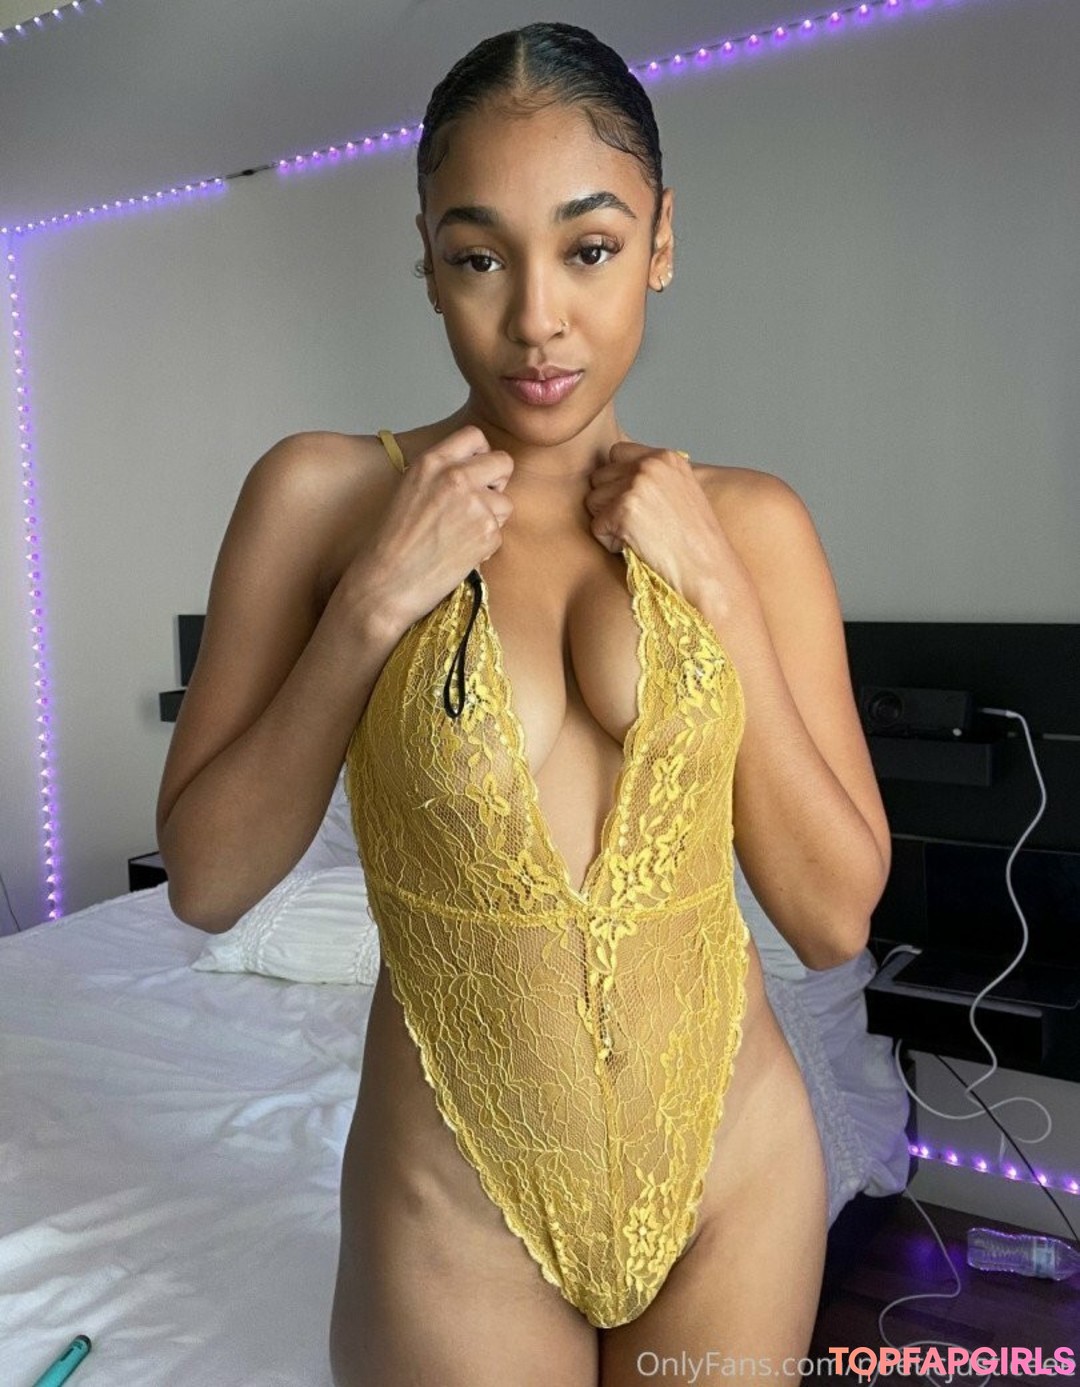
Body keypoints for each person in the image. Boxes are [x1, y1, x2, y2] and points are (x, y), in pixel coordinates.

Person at [156, 21, 892, 1387]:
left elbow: (833, 916)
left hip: (736, 1180)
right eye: (480, 256)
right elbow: (206, 883)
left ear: (661, 242)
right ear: (429, 261)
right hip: (454, 1204)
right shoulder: (321, 497)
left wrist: (720, 592)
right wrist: (372, 606)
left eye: (590, 248)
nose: (537, 317)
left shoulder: (750, 524)